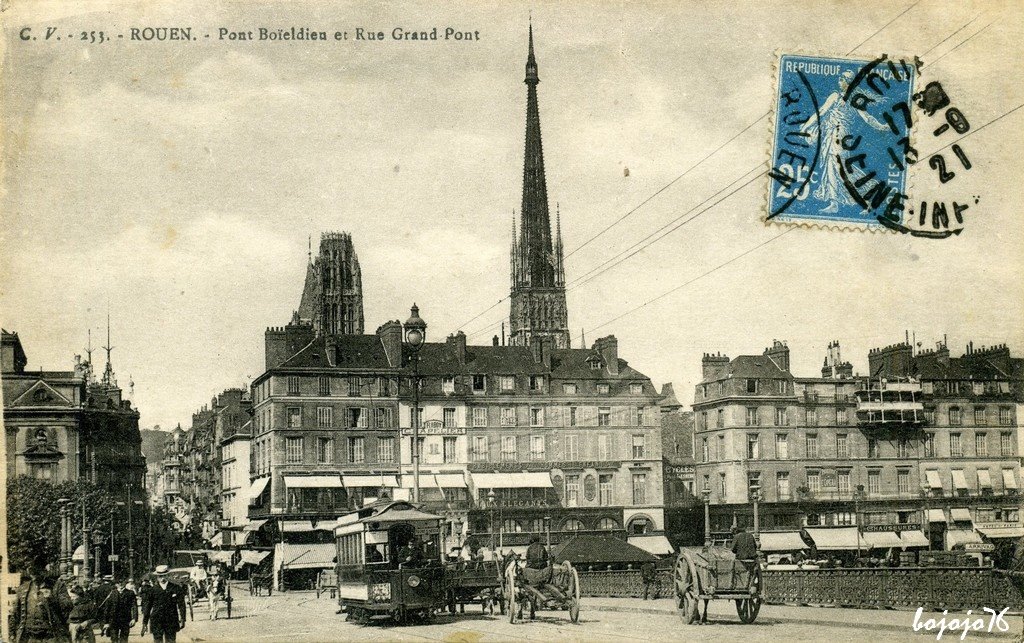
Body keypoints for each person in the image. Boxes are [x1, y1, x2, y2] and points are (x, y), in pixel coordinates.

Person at [11, 568, 67, 643]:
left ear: (45, 572)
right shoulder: (23, 588)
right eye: (31, 573)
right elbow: (15, 613)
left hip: (51, 637)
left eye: (37, 573)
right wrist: (12, 633)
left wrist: (52, 599)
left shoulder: (57, 586)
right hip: (29, 637)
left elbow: (68, 608)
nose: (34, 577)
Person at [141, 565, 187, 643]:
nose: (162, 578)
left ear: (168, 575)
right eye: (160, 576)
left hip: (171, 620)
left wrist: (183, 618)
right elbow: (147, 607)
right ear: (157, 577)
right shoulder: (152, 590)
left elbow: (181, 604)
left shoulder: (175, 588)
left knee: (171, 641)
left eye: (164, 576)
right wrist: (144, 623)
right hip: (157, 620)